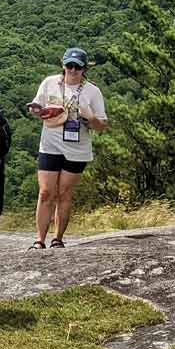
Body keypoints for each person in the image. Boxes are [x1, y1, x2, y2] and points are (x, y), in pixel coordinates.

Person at [27, 47, 108, 250]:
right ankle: (39, 239)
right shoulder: (49, 83)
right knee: (46, 192)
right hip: (50, 144)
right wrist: (38, 110)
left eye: (77, 67)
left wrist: (90, 117)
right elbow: (36, 107)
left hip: (77, 149)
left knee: (64, 193)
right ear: (63, 66)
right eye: (69, 66)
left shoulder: (92, 91)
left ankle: (57, 239)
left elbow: (101, 127)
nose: (73, 70)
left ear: (84, 69)